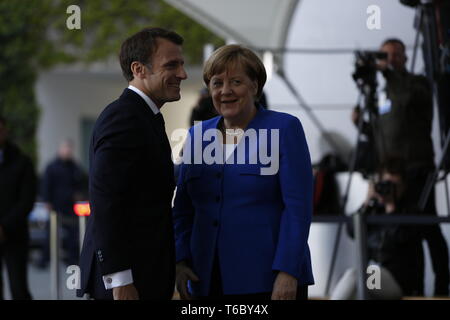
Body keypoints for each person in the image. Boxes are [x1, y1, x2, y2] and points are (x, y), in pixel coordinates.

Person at [173, 44, 314, 300]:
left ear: (254, 86)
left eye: (236, 81)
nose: (225, 91)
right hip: (205, 279)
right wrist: (180, 260)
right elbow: (183, 210)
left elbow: (298, 209)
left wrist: (288, 272)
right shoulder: (196, 135)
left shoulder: (284, 128)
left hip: (268, 280)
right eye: (217, 83)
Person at [77, 27, 187, 300]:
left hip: (144, 276)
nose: (182, 74)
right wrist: (120, 280)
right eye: (171, 65)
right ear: (139, 69)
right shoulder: (125, 118)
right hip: (128, 285)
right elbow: (106, 203)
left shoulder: (145, 116)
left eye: (182, 64)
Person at [352, 38, 449, 296]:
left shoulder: (416, 83)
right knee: (398, 231)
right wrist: (361, 122)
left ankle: (441, 289)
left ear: (405, 58)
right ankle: (396, 285)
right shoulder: (383, 93)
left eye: (396, 55)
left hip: (416, 169)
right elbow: (379, 132)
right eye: (385, 55)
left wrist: (387, 73)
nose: (390, 59)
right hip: (392, 173)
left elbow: (410, 99)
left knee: (426, 227)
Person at [331, 158, 425, 300]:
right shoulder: (373, 210)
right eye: (386, 184)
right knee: (356, 286)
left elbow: (401, 237)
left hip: (399, 281)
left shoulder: (411, 211)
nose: (390, 190)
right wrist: (367, 202)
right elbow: (351, 231)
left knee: (355, 275)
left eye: (395, 185)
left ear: (404, 186)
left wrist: (391, 208)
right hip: (374, 275)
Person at [0, 115, 36, 300]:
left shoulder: (22, 162)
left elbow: (26, 200)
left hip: (14, 234)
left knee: (18, 288)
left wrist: (4, 227)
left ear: (5, 131)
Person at [40, 139, 86, 268]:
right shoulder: (52, 167)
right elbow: (46, 185)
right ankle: (45, 259)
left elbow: (81, 183)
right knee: (51, 234)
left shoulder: (75, 167)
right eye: (65, 148)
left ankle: (71, 259)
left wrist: (80, 195)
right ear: (60, 149)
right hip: (55, 205)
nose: (68, 151)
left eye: (70, 148)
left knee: (73, 234)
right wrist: (47, 201)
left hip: (71, 207)